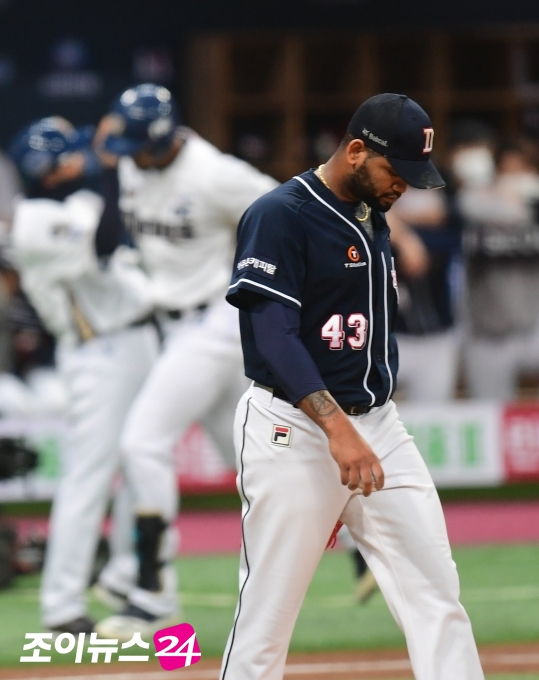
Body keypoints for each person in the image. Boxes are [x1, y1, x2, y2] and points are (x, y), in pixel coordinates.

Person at [220, 93, 484, 680]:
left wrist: (359, 427)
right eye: (397, 172)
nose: (405, 187)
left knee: (437, 597)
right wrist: (337, 428)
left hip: (379, 427)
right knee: (267, 616)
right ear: (357, 150)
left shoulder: (371, 211)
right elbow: (273, 336)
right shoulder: (280, 213)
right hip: (295, 429)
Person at [94, 84, 278, 640]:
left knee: (142, 442)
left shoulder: (214, 173)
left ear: (163, 135)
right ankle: (358, 548)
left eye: (136, 144)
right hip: (172, 325)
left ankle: (152, 591)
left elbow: (287, 212)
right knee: (255, 463)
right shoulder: (133, 163)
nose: (129, 154)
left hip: (215, 320)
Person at [9, 116, 159, 634]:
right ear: (45, 168)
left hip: (139, 340)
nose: (81, 159)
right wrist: (115, 168)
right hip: (98, 352)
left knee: (145, 462)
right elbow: (102, 243)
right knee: (89, 476)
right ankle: (61, 606)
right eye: (69, 154)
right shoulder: (33, 219)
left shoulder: (79, 199)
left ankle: (123, 577)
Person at [459, 138, 539, 399]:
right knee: (490, 409)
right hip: (488, 330)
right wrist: (513, 202)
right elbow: (468, 204)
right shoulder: (476, 200)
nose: (514, 176)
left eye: (521, 168)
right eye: (508, 169)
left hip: (533, 326)